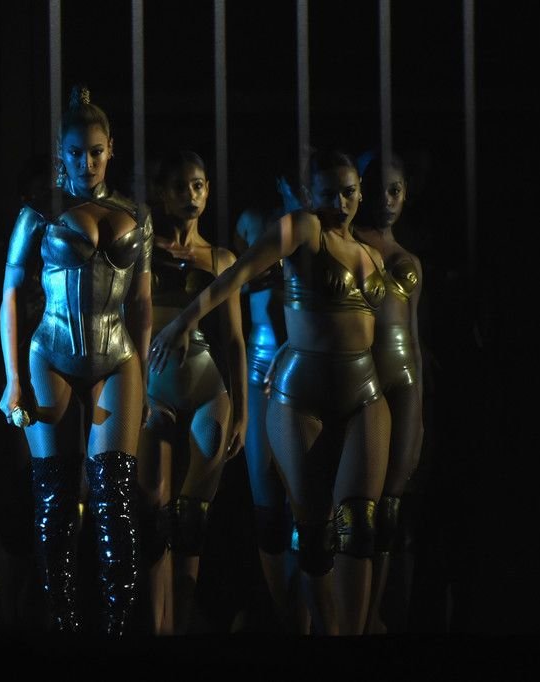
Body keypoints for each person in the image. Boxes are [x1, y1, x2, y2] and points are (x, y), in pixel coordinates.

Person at [150, 150, 391, 635]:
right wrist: (185, 319)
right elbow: (237, 274)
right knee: (313, 532)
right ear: (309, 196)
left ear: (361, 192)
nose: (340, 203)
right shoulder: (304, 228)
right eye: (328, 194)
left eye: (348, 192)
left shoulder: (373, 254)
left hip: (365, 390)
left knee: (360, 526)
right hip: (301, 394)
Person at [0, 85, 153, 635]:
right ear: (60, 153)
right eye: (75, 152)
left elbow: (141, 303)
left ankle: (118, 628)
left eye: (95, 152)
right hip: (52, 354)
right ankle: (61, 625)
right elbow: (10, 292)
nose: (86, 163)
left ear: (111, 150)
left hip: (118, 356)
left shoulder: (135, 213)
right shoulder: (39, 212)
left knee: (115, 498)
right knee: (56, 498)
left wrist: (145, 376)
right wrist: (13, 378)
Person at [139, 150, 245, 634]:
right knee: (154, 514)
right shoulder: (143, 248)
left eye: (198, 185)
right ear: (162, 194)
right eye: (180, 186)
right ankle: (156, 625)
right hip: (153, 387)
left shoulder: (221, 258)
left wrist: (242, 410)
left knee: (192, 520)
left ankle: (181, 624)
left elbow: (235, 340)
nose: (191, 195)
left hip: (207, 386)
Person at [233, 169, 307, 631]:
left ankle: (304, 613)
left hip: (305, 365)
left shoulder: (321, 226)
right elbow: (234, 284)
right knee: (264, 489)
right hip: (260, 362)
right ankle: (283, 611)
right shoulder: (253, 220)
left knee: (304, 494)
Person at [353, 151, 423, 633]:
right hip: (361, 374)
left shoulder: (410, 259)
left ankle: (374, 611)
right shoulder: (349, 242)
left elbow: (413, 340)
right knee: (361, 502)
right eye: (378, 188)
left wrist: (421, 413)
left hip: (403, 377)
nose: (387, 199)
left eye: (395, 190)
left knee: (392, 505)